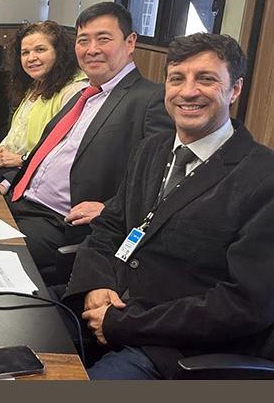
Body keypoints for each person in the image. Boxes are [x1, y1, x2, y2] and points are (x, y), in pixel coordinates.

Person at [63, 32, 274, 379]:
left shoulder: (263, 177)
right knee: (17, 327)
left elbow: (244, 304)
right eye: (177, 79)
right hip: (108, 311)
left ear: (234, 89)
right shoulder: (153, 149)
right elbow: (110, 227)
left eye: (206, 79)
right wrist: (94, 286)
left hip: (173, 349)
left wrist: (126, 324)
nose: (188, 91)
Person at [7, 2, 172, 285]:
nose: (91, 49)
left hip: (61, 222)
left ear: (130, 42)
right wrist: (9, 180)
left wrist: (111, 210)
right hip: (21, 203)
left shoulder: (151, 99)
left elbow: (162, 177)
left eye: (103, 39)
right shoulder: (82, 94)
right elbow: (45, 153)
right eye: (83, 41)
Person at [0, 21, 88, 194]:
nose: (31, 58)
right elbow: (17, 134)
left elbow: (66, 152)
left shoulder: (74, 91)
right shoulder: (37, 84)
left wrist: (21, 160)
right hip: (11, 168)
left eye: (40, 50)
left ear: (59, 53)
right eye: (25, 52)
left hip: (34, 180)